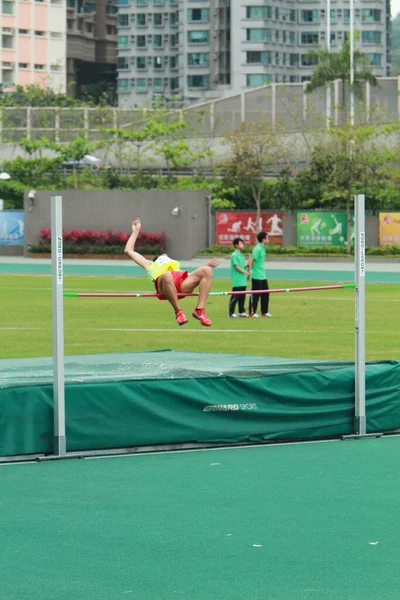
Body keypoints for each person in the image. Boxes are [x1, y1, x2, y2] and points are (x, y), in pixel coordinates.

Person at [124, 218, 219, 327]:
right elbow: (128, 251)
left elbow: (190, 276)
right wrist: (136, 231)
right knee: (166, 275)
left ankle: (199, 310)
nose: (165, 255)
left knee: (207, 270)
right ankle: (178, 312)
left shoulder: (173, 266)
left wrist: (203, 267)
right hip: (164, 286)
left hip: (179, 285)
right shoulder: (150, 264)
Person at [249, 231, 271, 318]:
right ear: (263, 239)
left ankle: (264, 311)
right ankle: (252, 312)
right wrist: (249, 271)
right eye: (267, 238)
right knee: (255, 294)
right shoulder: (257, 249)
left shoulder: (263, 248)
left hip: (262, 275)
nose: (268, 239)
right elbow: (252, 260)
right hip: (256, 275)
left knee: (266, 293)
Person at [229, 237, 250, 318]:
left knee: (242, 297)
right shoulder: (234, 255)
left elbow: (242, 266)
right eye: (241, 243)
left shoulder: (241, 255)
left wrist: (247, 265)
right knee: (235, 297)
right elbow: (236, 267)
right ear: (236, 245)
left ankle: (241, 311)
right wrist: (246, 272)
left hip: (242, 280)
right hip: (237, 280)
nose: (243, 245)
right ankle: (231, 312)